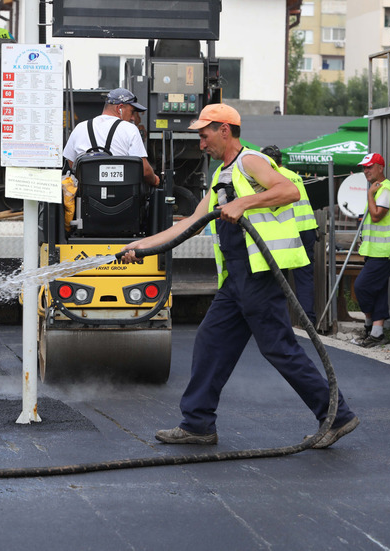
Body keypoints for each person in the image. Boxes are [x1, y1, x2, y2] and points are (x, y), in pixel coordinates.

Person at [120, 103, 359, 449]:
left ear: (224, 131)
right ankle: (198, 423)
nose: (200, 144)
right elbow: (189, 224)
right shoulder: (221, 176)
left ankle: (336, 415)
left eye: (204, 136)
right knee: (210, 342)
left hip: (258, 275)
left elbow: (288, 191)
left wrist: (243, 204)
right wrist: (141, 246)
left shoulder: (249, 162)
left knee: (279, 349)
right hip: (236, 280)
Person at [262, 145, 318, 326]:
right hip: (307, 229)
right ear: (280, 160)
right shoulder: (294, 176)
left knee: (278, 276)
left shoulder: (272, 178)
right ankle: (308, 321)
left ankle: (278, 320)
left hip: (288, 230)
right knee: (304, 277)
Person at [353, 152, 390, 348]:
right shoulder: (379, 189)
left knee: (362, 287)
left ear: (380, 168)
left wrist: (369, 194)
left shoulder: (384, 189)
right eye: (364, 168)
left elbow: (376, 217)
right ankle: (376, 333)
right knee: (378, 289)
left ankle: (368, 326)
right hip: (378, 250)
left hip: (386, 251)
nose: (366, 171)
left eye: (369, 167)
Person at [62, 87, 160, 187]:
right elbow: (145, 171)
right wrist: (155, 180)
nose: (133, 118)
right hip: (124, 199)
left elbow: (72, 163)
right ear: (119, 108)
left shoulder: (80, 128)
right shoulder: (130, 129)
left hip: (87, 198)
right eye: (132, 112)